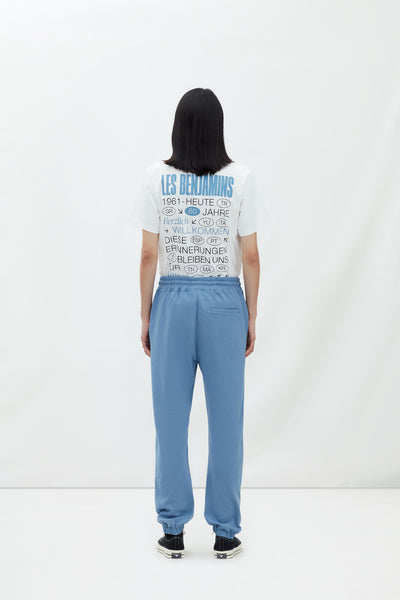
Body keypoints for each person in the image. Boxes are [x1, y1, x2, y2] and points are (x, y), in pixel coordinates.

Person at [134, 88, 263, 559]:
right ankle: (225, 532)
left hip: (171, 300)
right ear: (217, 128)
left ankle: (172, 530)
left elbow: (149, 254)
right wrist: (252, 314)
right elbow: (251, 256)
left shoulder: (155, 178)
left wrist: (146, 314)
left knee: (169, 420)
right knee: (227, 420)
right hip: (226, 301)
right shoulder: (241, 179)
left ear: (178, 127)